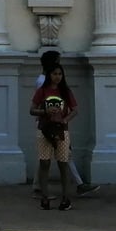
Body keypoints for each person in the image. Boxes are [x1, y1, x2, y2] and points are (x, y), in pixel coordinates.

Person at [32, 50, 98, 197]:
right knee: (60, 157)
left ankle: (38, 187)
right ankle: (78, 185)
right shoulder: (44, 83)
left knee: (46, 159)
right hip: (49, 124)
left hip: (54, 124)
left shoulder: (45, 81)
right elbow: (38, 106)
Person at [30, 63, 78, 210]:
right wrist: (45, 111)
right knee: (44, 163)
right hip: (44, 129)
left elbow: (75, 110)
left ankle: (66, 198)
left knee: (63, 164)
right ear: (49, 75)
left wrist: (65, 119)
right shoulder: (42, 91)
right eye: (54, 74)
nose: (57, 77)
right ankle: (44, 197)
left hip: (61, 131)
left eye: (60, 74)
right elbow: (32, 110)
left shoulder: (66, 92)